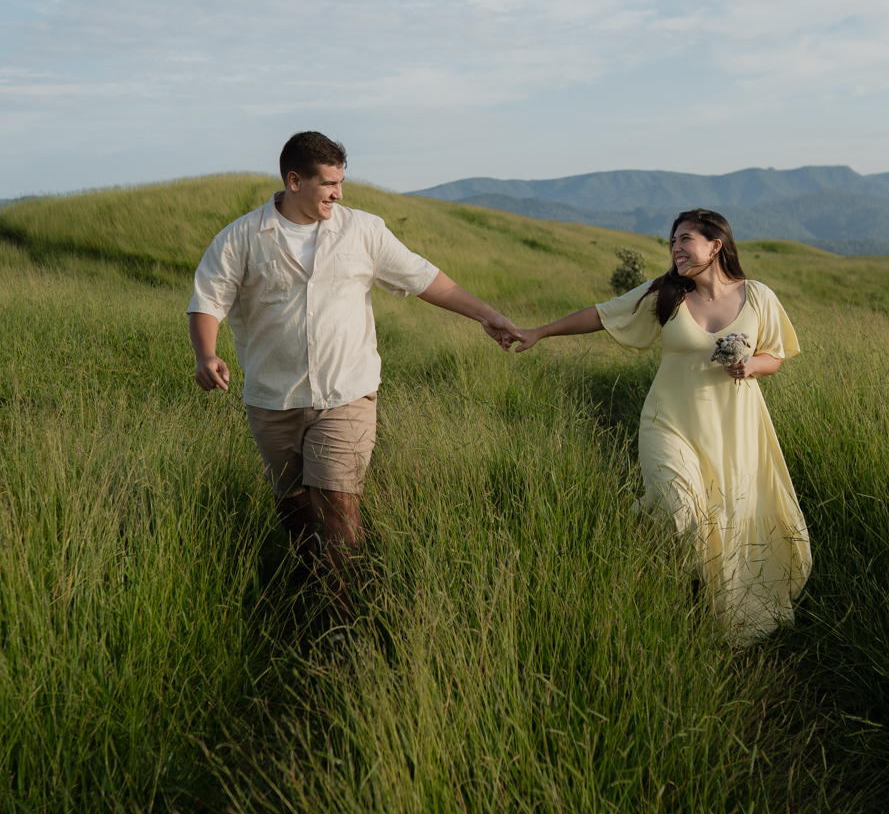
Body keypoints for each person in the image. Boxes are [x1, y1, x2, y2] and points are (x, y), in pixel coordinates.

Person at [188, 130, 531, 594]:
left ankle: (349, 613)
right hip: (272, 397)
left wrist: (487, 315)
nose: (339, 193)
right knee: (293, 507)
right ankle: (308, 589)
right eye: (329, 183)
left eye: (341, 182)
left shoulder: (363, 231)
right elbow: (208, 300)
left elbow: (424, 277)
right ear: (294, 181)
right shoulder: (241, 237)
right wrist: (206, 354)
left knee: (338, 505)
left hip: (345, 394)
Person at [520, 208, 811, 642]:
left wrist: (752, 366)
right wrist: (540, 332)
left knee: (726, 516)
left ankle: (698, 605)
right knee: (680, 510)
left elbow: (776, 355)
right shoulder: (666, 293)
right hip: (668, 422)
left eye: (685, 239)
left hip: (734, 428)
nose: (676, 248)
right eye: (673, 240)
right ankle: (632, 544)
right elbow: (602, 314)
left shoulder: (758, 296)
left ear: (716, 245)